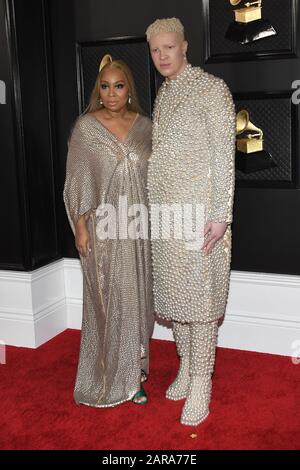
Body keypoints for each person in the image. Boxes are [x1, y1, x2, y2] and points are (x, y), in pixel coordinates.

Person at [146, 18, 236, 425]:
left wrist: (221, 215)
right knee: (174, 299)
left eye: (168, 47)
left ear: (184, 46)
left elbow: (223, 157)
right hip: (166, 217)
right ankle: (185, 366)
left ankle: (202, 381)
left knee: (199, 303)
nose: (162, 56)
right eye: (154, 50)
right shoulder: (163, 95)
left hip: (201, 216)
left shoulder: (212, 90)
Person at [63, 54, 154, 407]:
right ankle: (121, 378)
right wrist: (81, 227)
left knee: (141, 302)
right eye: (105, 86)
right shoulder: (86, 128)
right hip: (103, 231)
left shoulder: (146, 127)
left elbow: (157, 177)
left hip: (140, 228)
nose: (112, 93)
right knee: (114, 302)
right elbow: (77, 180)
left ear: (128, 89)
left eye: (119, 86)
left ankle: (136, 367)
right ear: (97, 91)